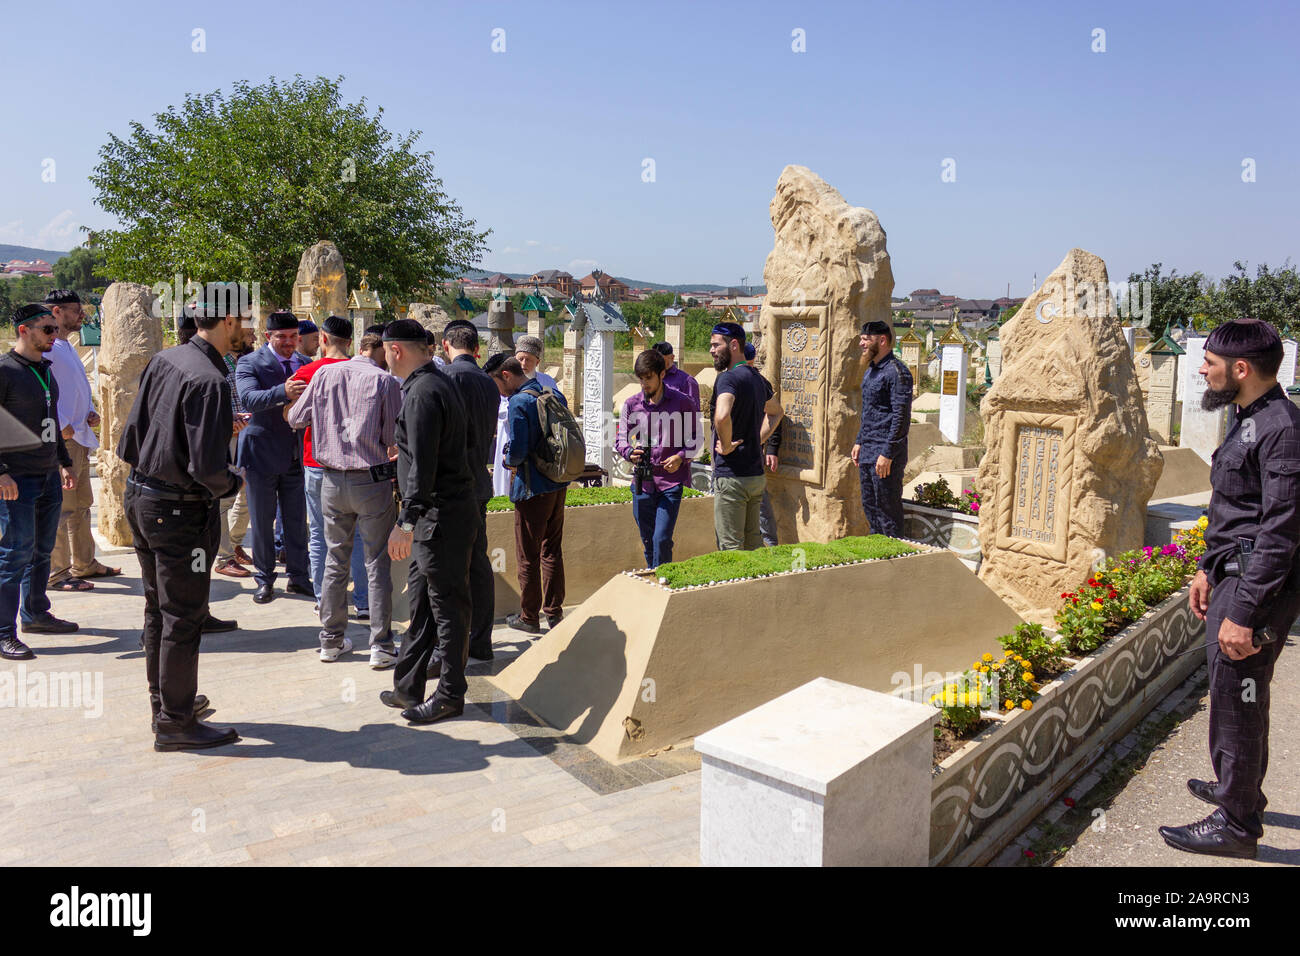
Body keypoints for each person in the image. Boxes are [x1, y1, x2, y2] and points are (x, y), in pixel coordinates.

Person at [1158, 318, 1300, 860]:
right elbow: (1235, 510)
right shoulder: (1249, 418)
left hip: (1256, 588)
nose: (1202, 368)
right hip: (1233, 575)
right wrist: (1206, 570)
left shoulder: (1281, 428)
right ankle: (1235, 789)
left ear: (1241, 369)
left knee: (1239, 696)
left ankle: (1237, 824)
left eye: (1210, 362)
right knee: (1231, 693)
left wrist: (1242, 611)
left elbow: (1281, 531)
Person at [117, 295, 244, 751]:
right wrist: (233, 482)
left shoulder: (168, 359)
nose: (245, 329)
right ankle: (175, 721)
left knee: (159, 609)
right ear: (228, 319)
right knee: (184, 617)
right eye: (243, 320)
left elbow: (132, 435)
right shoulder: (208, 378)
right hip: (178, 512)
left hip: (143, 496)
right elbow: (208, 469)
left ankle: (167, 702)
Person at [287, 315, 403, 667]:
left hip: (331, 479)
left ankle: (331, 640)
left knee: (335, 560)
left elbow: (295, 418)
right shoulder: (384, 381)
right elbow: (392, 437)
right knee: (376, 563)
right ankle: (381, 645)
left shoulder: (323, 374)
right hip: (370, 479)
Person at [379, 320, 476, 724]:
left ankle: (451, 695)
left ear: (396, 350)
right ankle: (409, 686)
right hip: (438, 514)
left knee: (448, 608)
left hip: (440, 516)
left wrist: (405, 521)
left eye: (385, 350)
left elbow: (423, 466)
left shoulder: (422, 392)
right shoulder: (434, 382)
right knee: (422, 604)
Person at [0, 305, 78, 661]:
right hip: (16, 480)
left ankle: (35, 614)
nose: (53, 335)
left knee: (41, 552)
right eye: (47, 329)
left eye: (54, 329)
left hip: (47, 476)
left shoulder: (45, 371)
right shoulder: (5, 371)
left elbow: (52, 422)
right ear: (23, 330)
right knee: (13, 556)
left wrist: (62, 462)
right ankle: (4, 632)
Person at [286, 316, 370, 620]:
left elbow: (294, 417)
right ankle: (363, 601)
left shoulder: (308, 373)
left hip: (317, 461)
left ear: (322, 338)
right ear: (350, 341)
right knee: (359, 535)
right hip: (357, 461)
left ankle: (324, 599)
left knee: (321, 535)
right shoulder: (366, 372)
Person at [486, 353, 570, 633]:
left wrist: (508, 458)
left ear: (506, 376)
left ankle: (529, 616)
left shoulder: (519, 402)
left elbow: (518, 450)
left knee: (527, 554)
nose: (498, 391)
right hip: (558, 483)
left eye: (496, 384)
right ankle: (555, 611)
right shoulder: (551, 393)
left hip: (532, 487)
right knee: (551, 551)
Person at [44, 290, 120, 591]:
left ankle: (84, 563)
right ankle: (57, 573)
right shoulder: (47, 348)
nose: (81, 316)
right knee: (62, 507)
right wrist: (61, 424)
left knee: (81, 505)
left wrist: (88, 411)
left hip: (78, 434)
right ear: (57, 311)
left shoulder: (66, 346)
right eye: (75, 310)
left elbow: (72, 388)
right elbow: (45, 392)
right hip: (63, 439)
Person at [235, 311, 313, 603]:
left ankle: (299, 577)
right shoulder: (250, 362)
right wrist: (283, 391)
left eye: (294, 336)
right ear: (268, 336)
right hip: (261, 455)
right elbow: (248, 399)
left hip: (295, 454)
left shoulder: (306, 364)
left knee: (295, 522)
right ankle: (265, 579)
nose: (289, 342)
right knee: (262, 521)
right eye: (282, 337)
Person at [439, 319, 500, 662]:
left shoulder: (445, 378)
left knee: (448, 566)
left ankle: (450, 644)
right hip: (478, 481)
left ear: (446, 346)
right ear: (475, 348)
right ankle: (481, 639)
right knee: (479, 562)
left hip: (450, 486)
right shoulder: (489, 384)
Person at [615, 349, 701, 567]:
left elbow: (696, 438)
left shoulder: (683, 403)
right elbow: (620, 438)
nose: (644, 384)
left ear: (662, 374)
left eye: (649, 378)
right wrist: (628, 451)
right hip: (642, 483)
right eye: (641, 379)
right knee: (648, 541)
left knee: (661, 539)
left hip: (671, 483)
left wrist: (681, 457)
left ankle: (662, 581)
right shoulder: (631, 404)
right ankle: (654, 578)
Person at [709, 322, 783, 551]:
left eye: (715, 345)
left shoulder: (727, 379)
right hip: (755, 477)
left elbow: (722, 416)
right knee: (753, 545)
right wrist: (756, 439)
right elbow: (776, 412)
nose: (711, 350)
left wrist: (728, 445)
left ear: (733, 345)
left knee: (730, 549)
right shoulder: (758, 380)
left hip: (732, 477)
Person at [852, 320, 912, 538]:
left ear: (883, 340)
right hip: (868, 451)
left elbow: (901, 417)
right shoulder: (871, 371)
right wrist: (859, 440)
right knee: (870, 509)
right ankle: (876, 557)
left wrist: (887, 453)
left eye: (866, 339)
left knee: (888, 513)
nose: (861, 344)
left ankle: (894, 561)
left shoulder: (897, 372)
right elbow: (869, 410)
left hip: (885, 455)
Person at [214, 313, 255, 578]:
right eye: (248, 332)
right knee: (224, 498)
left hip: (247, 434)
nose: (252, 337)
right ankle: (223, 556)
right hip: (227, 436)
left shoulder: (245, 360)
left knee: (247, 492)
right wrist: (228, 422)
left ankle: (235, 542)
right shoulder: (217, 362)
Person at [744, 341, 783, 547]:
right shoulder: (728, 382)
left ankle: (771, 550)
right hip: (731, 461)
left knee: (761, 509)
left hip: (753, 457)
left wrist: (772, 446)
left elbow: (775, 413)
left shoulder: (760, 383)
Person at [652, 341, 701, 411]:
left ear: (672, 358)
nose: (657, 363)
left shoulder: (687, 381)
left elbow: (693, 412)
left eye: (661, 360)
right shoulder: (650, 379)